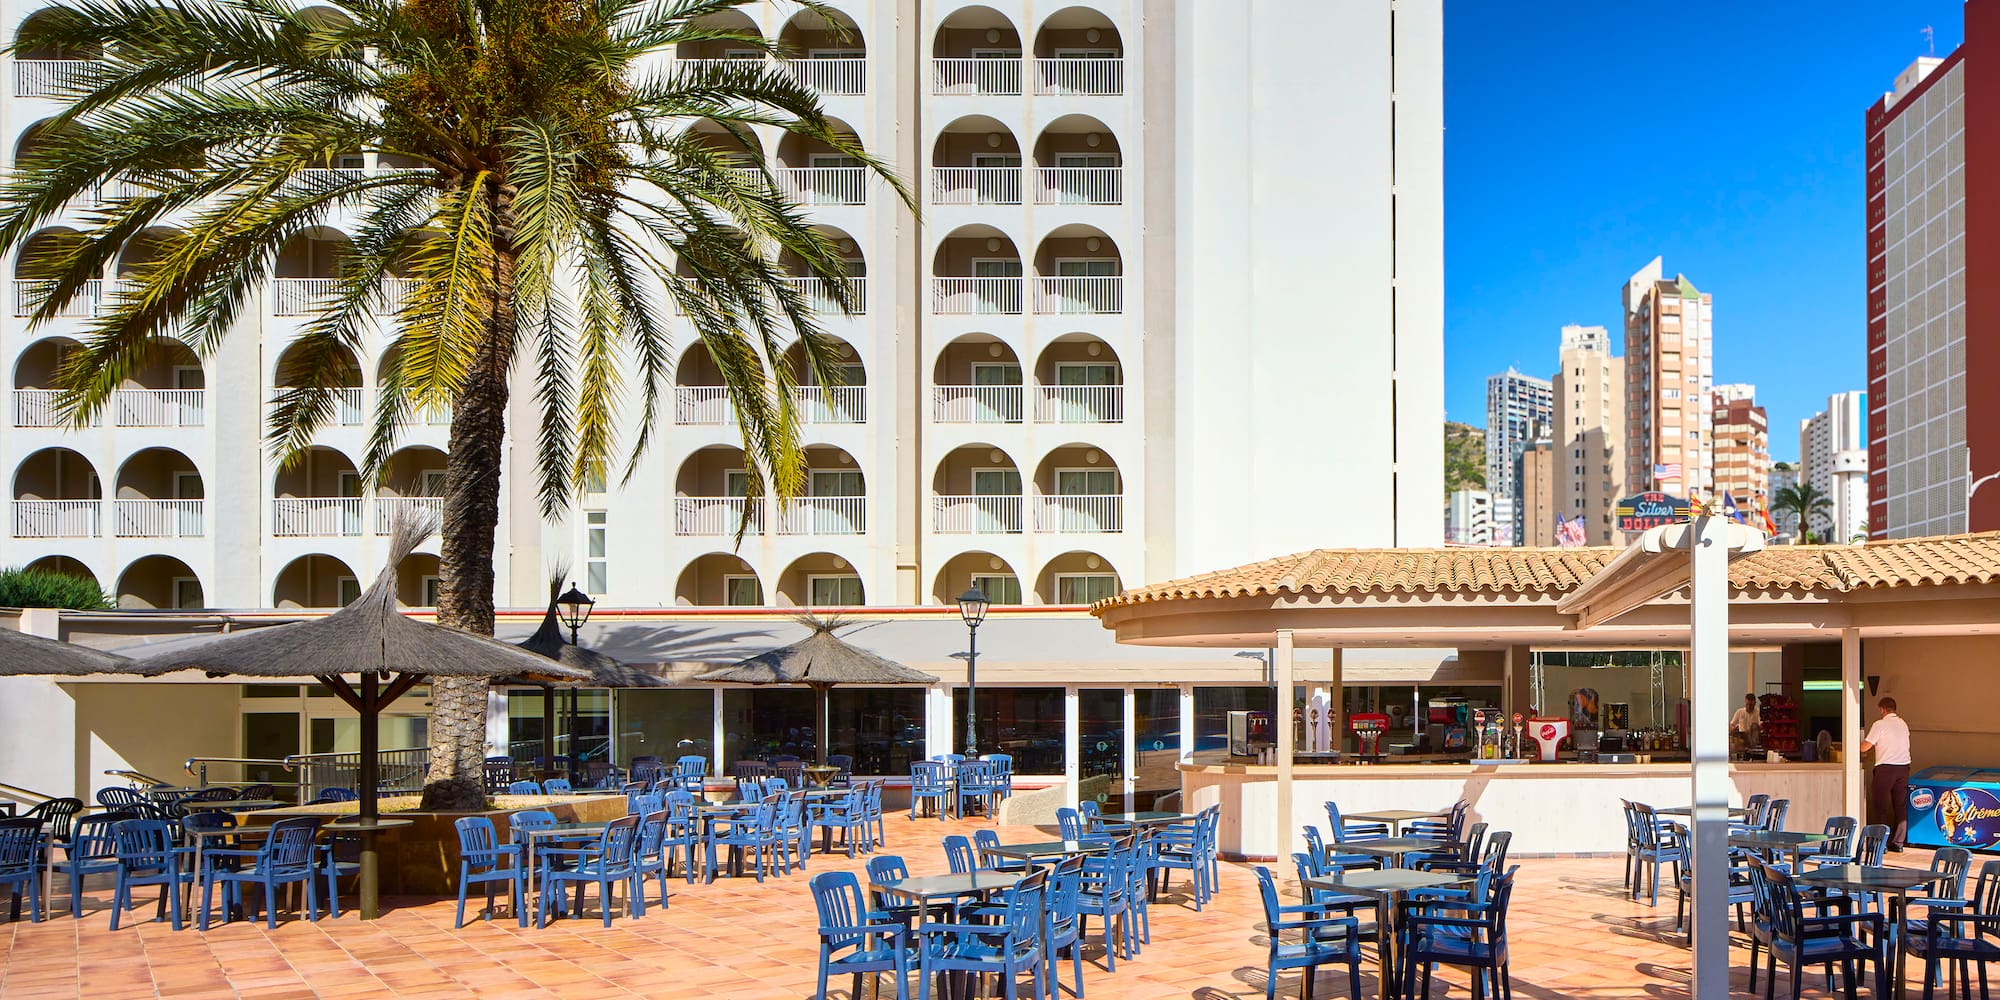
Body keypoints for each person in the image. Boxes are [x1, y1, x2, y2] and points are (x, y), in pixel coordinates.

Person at [1860, 696, 1913, 852]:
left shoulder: (1880, 724)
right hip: (1903, 768)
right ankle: (1898, 842)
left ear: (1882, 709)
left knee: (1880, 805)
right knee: (1900, 806)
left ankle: (1880, 843)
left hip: (1886, 769)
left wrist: (1854, 744)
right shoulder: (1903, 724)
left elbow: (1865, 747)